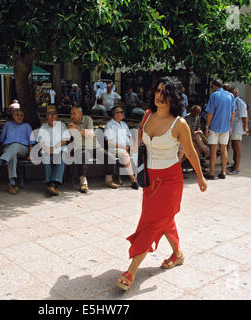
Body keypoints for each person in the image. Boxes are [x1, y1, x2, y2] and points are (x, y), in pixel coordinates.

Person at [116, 77, 207, 291]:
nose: (159, 95)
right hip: (150, 180)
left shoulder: (180, 123)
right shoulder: (148, 115)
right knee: (163, 220)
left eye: (164, 92)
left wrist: (201, 177)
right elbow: (140, 138)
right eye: (157, 90)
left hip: (170, 181)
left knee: (152, 224)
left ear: (173, 97)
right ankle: (178, 254)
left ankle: (131, 272)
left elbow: (191, 152)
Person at [0, 109, 35, 195]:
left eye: (21, 115)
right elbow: (2, 140)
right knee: (12, 155)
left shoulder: (27, 126)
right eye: (17, 115)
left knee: (15, 145)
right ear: (13, 116)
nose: (19, 117)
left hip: (22, 149)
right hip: (8, 148)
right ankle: (12, 184)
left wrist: (30, 154)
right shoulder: (8, 125)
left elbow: (31, 142)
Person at [68, 105, 118, 193]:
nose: (72, 116)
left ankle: (108, 180)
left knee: (109, 155)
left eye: (74, 113)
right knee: (82, 155)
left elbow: (89, 134)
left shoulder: (87, 119)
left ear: (80, 113)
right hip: (81, 148)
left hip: (95, 147)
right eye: (71, 114)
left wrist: (77, 128)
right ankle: (83, 183)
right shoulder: (71, 123)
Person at [204, 79, 236, 180]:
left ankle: (212, 172)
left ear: (214, 86)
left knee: (213, 150)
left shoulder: (214, 95)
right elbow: (232, 113)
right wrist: (230, 126)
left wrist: (207, 126)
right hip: (226, 127)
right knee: (224, 149)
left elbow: (210, 113)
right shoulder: (230, 96)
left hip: (214, 126)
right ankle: (223, 172)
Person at [36, 105, 71, 196]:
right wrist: (48, 149)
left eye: (53, 114)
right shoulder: (44, 126)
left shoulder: (62, 125)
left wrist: (54, 148)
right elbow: (40, 142)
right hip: (46, 150)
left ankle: (52, 184)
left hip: (59, 149)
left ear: (57, 116)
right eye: (49, 115)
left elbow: (65, 140)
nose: (51, 117)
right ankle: (52, 185)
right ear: (46, 117)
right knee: (46, 157)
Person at [104, 106, 139, 189]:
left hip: (126, 148)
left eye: (122, 112)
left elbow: (129, 138)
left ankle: (143, 177)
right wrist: (123, 147)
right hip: (114, 149)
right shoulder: (109, 125)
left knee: (141, 152)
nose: (123, 113)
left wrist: (130, 146)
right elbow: (109, 142)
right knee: (125, 155)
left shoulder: (124, 124)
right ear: (115, 114)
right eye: (121, 112)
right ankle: (133, 180)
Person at [228, 86, 249, 175]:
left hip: (238, 127)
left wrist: (246, 127)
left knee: (237, 146)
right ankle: (234, 164)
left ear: (236, 92)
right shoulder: (233, 101)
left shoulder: (239, 102)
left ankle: (236, 167)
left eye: (231, 92)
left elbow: (244, 116)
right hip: (233, 126)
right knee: (234, 146)